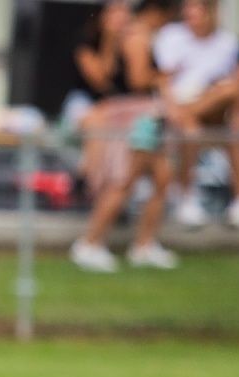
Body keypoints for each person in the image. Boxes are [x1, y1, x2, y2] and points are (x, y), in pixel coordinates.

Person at [70, 0, 178, 273]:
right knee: (124, 180)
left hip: (145, 115)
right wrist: (163, 76)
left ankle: (144, 244)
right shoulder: (137, 37)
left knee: (163, 177)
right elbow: (137, 80)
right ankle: (90, 242)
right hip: (140, 117)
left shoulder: (132, 36)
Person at [154, 0, 239, 228]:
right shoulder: (171, 36)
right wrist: (174, 109)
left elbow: (233, 85)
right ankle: (186, 197)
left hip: (213, 108)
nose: (190, 13)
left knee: (234, 120)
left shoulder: (227, 43)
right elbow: (163, 81)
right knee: (191, 131)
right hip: (179, 109)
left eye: (196, 8)